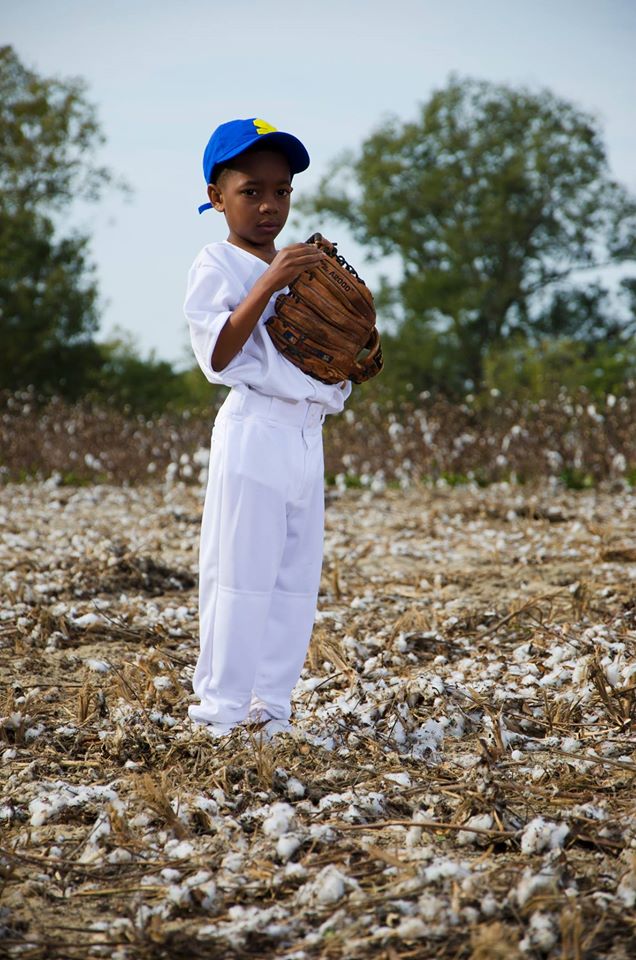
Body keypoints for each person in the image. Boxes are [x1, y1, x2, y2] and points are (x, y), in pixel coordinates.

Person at [184, 118, 351, 739]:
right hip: (254, 427)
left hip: (307, 432)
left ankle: (270, 709)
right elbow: (217, 355)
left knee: (293, 582)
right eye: (250, 191)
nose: (268, 205)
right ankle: (220, 714)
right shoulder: (217, 262)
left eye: (281, 191)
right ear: (216, 195)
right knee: (238, 578)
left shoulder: (302, 265)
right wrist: (271, 281)